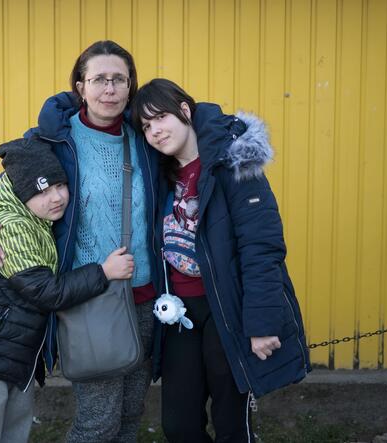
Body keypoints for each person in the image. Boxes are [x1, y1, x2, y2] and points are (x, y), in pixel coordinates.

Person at [0, 41, 160, 442]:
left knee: (131, 415)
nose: (109, 89)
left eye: (119, 79)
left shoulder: (148, 136)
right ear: (80, 86)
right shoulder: (56, 140)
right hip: (88, 298)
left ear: (131, 85)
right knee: (97, 423)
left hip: (147, 296)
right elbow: (6, 181)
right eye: (99, 79)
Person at [131, 78, 311, 443]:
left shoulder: (233, 164)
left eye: (160, 118)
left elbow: (262, 247)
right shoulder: (158, 174)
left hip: (227, 310)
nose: (155, 131)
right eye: (146, 126)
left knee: (231, 424)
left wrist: (261, 322)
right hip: (180, 314)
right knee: (179, 425)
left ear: (185, 111)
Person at [0, 137, 135, 443]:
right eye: (41, 192)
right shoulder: (10, 228)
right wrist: (104, 272)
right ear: (21, 194)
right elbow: (47, 291)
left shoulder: (37, 219)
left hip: (10, 353)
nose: (55, 198)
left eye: (59, 186)